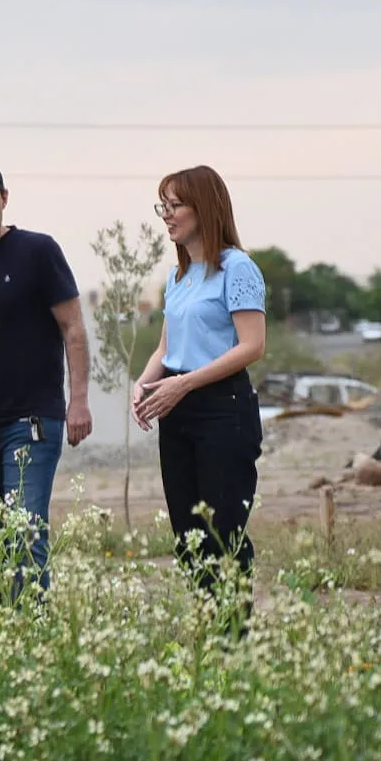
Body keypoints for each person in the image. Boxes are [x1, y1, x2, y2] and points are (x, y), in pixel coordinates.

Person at [0, 156, 93, 600]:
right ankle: (6, 632)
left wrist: (79, 400)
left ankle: (32, 624)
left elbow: (73, 327)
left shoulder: (38, 251)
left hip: (32, 418)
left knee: (25, 527)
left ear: (4, 199)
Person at [132, 165, 266, 619]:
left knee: (223, 530)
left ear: (203, 207)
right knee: (188, 533)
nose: (166, 215)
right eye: (162, 206)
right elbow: (167, 347)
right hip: (177, 408)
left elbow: (252, 345)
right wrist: (146, 382)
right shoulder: (177, 277)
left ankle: (235, 638)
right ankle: (210, 626)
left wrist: (184, 383)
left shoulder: (237, 268)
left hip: (222, 408)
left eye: (175, 205)